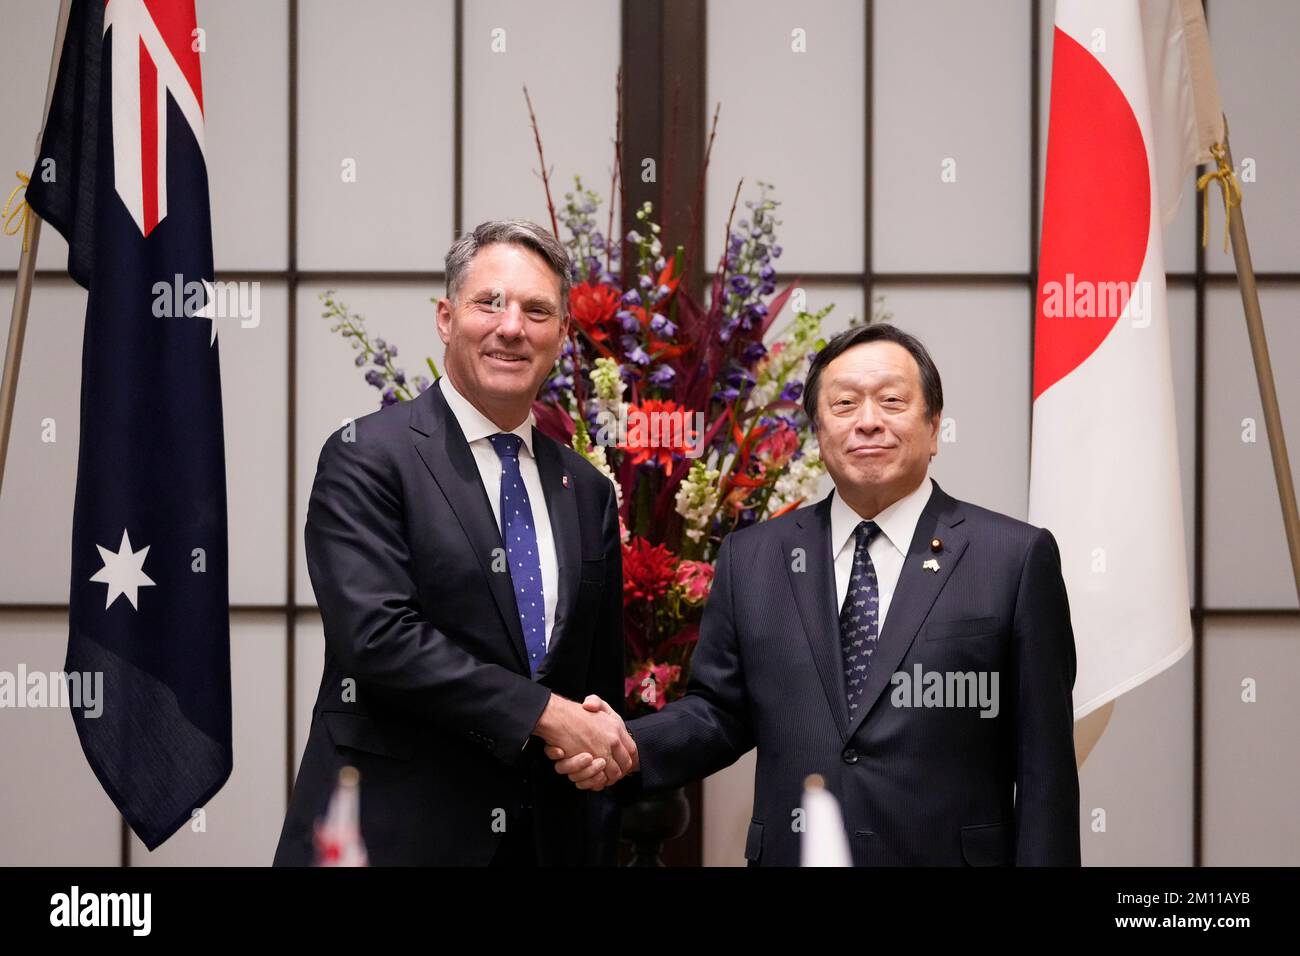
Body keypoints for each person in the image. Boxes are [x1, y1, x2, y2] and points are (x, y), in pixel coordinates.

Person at [548, 323, 1081, 866]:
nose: (868, 421)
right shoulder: (753, 557)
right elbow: (718, 714)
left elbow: (1046, 770)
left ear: (935, 425)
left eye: (892, 401)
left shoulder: (1013, 559)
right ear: (818, 429)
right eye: (845, 403)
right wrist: (626, 746)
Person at [274, 219, 635, 866]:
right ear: (446, 317)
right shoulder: (369, 457)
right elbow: (378, 639)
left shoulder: (585, 490)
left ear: (563, 338)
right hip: (390, 836)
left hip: (542, 844)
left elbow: (597, 684)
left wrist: (596, 747)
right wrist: (544, 714)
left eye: (537, 311)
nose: (511, 327)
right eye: (488, 303)